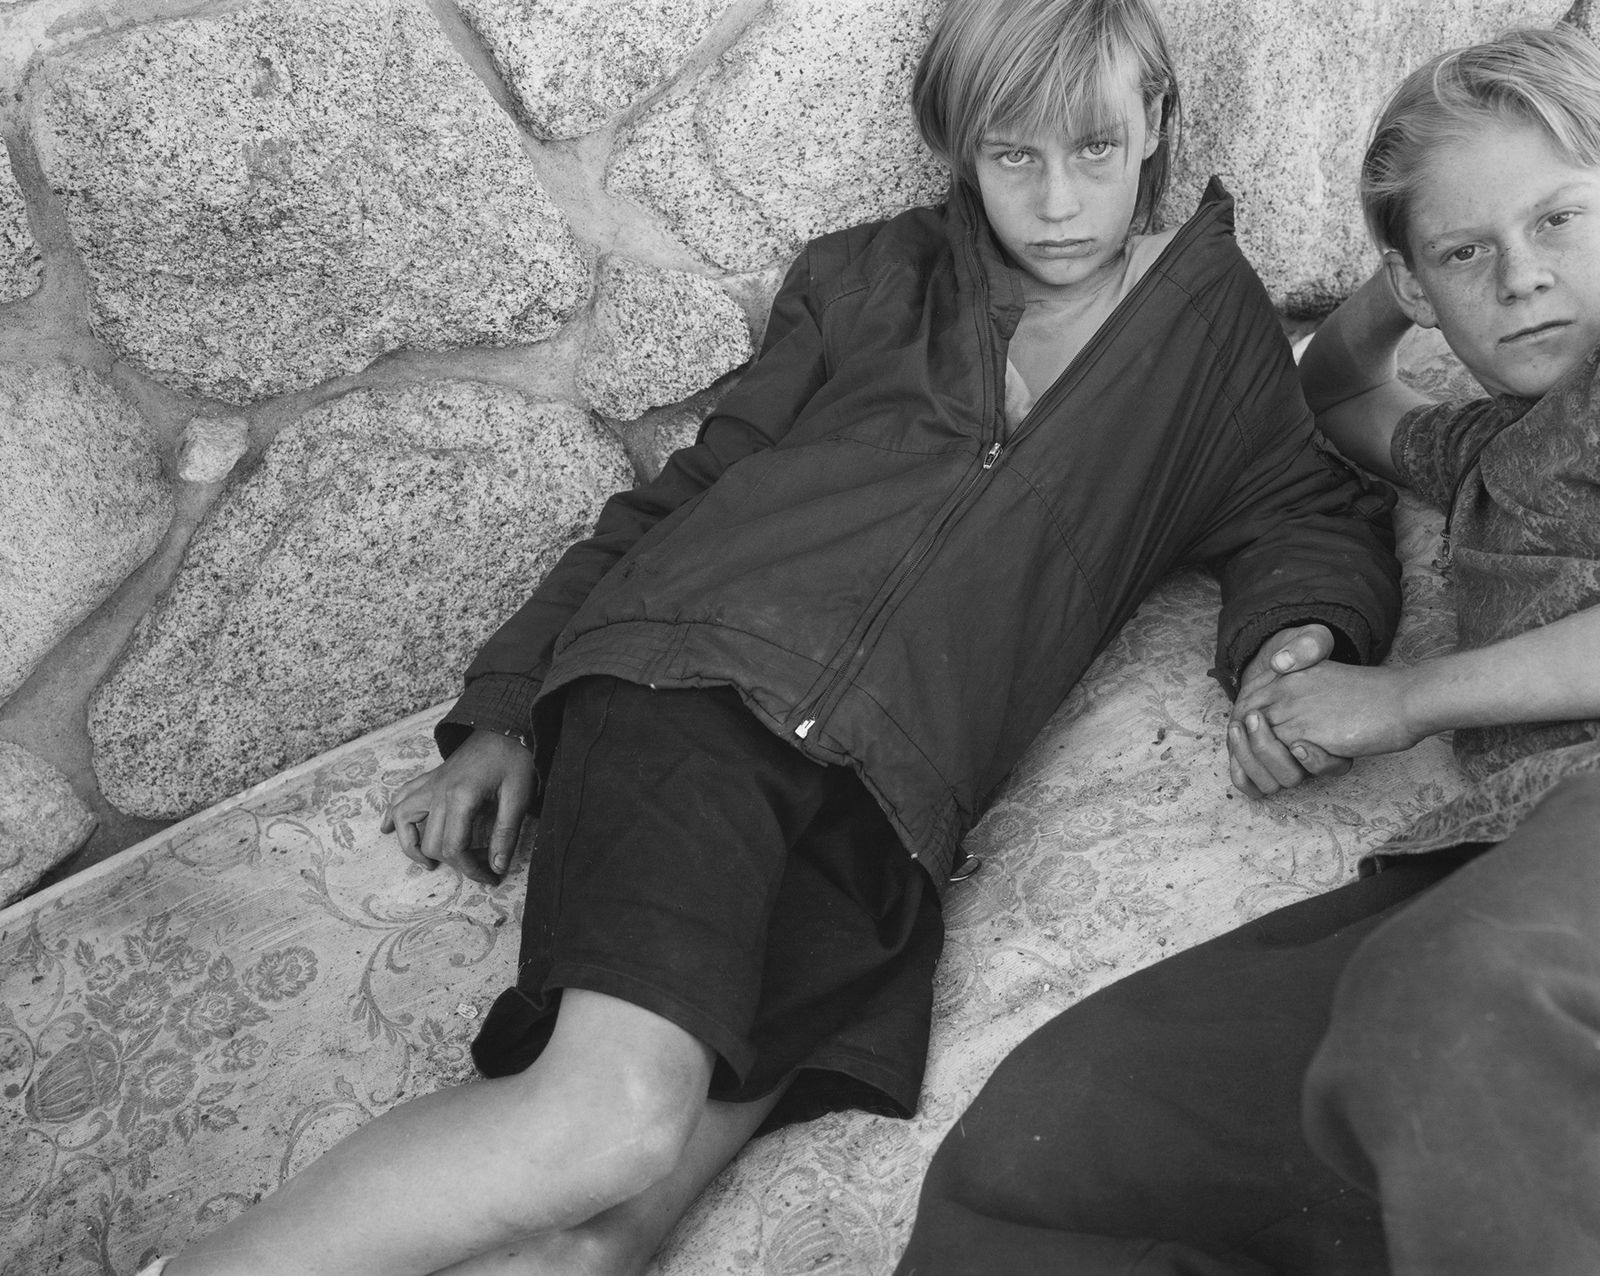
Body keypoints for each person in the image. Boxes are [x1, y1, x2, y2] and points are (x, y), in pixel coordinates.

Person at [147, 1, 1399, 1273]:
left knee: (593, 1244)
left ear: (1156, 126)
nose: (1059, 197)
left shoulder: (1209, 332)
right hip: (698, 687)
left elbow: (1303, 505)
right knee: (607, 1125)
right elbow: (683, 496)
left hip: (890, 822)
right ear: (959, 149)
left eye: (1094, 149)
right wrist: (509, 706)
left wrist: (1295, 634)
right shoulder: (866, 277)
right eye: (1013, 155)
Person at [894, 23, 1600, 1276]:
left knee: (1458, 1010)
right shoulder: (1491, 448)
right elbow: (1333, 395)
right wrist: (1402, 279)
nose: (1519, 278)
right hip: (1491, 866)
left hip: (1532, 905)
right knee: (1057, 1145)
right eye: (1466, 252)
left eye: (1558, 221)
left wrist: (1399, 699)